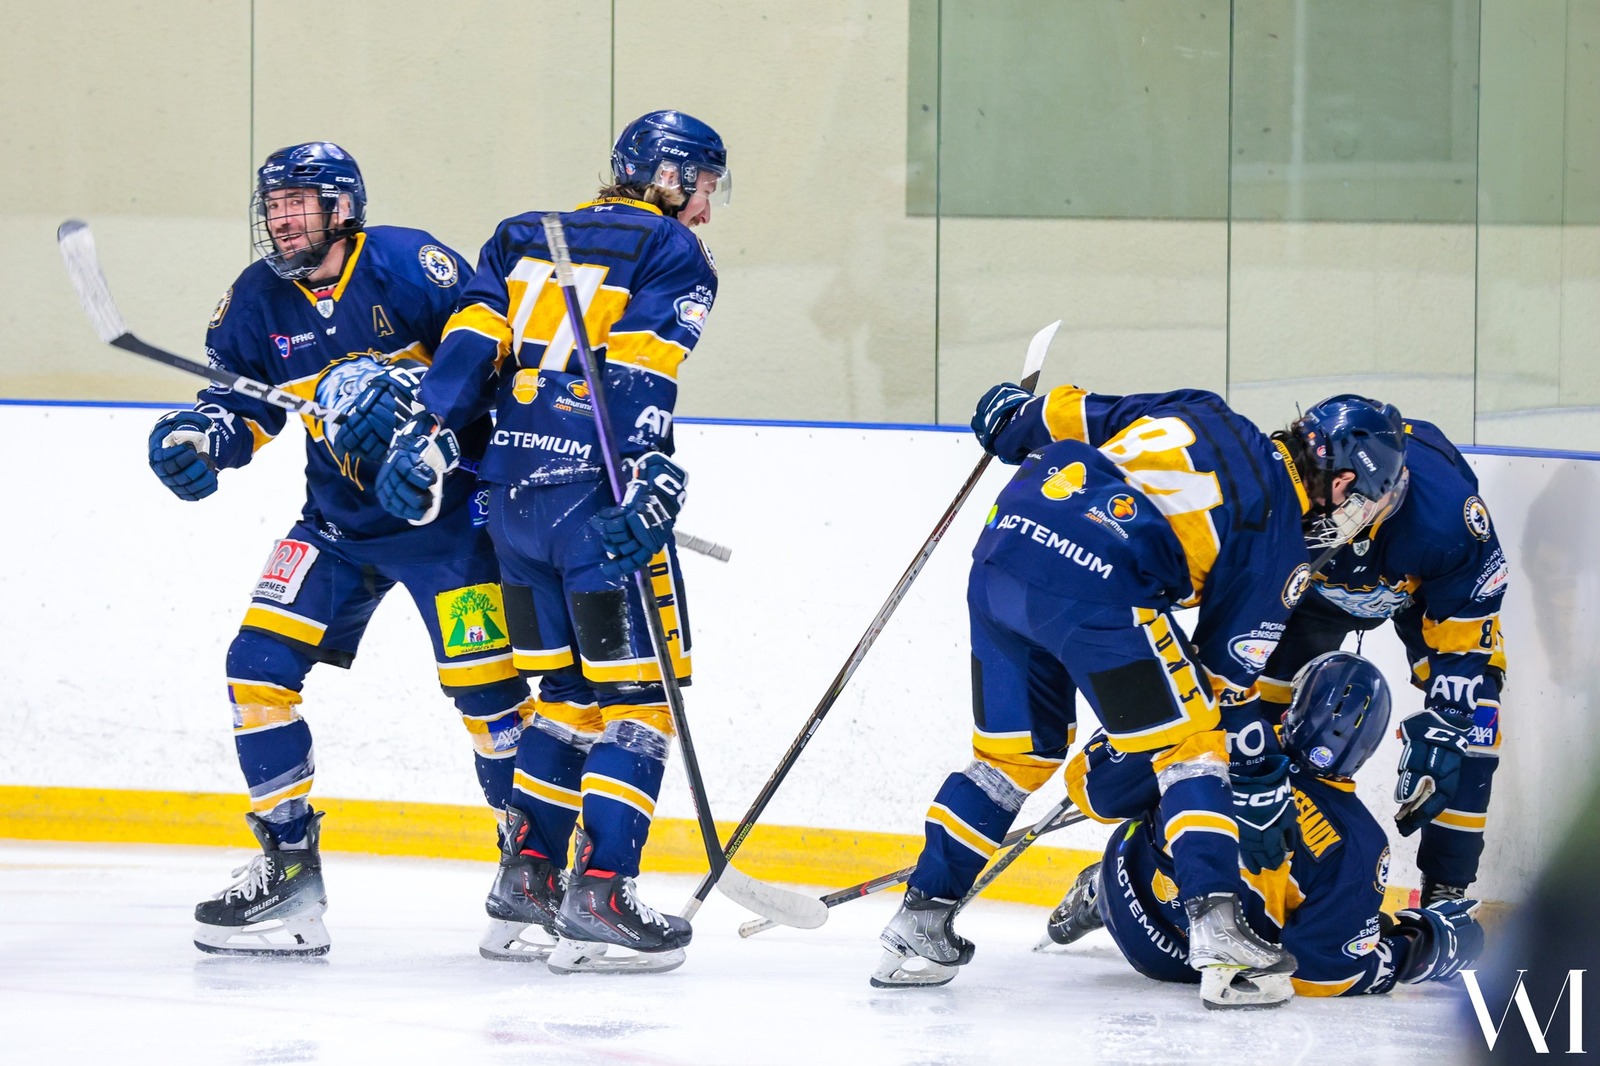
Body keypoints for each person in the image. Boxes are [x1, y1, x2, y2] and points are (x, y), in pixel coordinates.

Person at [871, 384, 1407, 1005]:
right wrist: (1173, 734)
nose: (1355, 516)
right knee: (1194, 747)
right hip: (1100, 583)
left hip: (1005, 552)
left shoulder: (1202, 409)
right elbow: (1222, 682)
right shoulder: (1280, 540)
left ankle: (918, 924)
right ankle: (1219, 931)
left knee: (1009, 759)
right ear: (1341, 483)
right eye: (1363, 502)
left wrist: (1010, 419)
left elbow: (1065, 414)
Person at [147, 142, 528, 956]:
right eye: (273, 204)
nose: (281, 220)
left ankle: (532, 873)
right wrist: (199, 437)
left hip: (448, 527)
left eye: (299, 203)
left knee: (490, 700)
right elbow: (243, 406)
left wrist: (436, 436)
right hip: (336, 527)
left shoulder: (410, 266)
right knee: (255, 669)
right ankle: (289, 873)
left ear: (343, 208)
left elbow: (490, 362)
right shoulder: (256, 300)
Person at [375, 110, 729, 974]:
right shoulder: (674, 250)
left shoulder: (519, 234)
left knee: (568, 693)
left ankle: (527, 879)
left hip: (510, 503)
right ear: (674, 176)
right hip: (593, 505)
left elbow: (471, 347)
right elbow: (642, 366)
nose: (706, 208)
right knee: (638, 704)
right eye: (706, 187)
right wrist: (646, 470)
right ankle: (602, 892)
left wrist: (430, 431)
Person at [1047, 651, 1485, 1006]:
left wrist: (1151, 720)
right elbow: (1324, 973)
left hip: (1124, 882)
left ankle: (1100, 891)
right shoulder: (1361, 843)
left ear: (1295, 708)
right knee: (1342, 918)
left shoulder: (1220, 733)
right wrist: (1419, 946)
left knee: (1175, 800)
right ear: (1369, 750)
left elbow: (1094, 793)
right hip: (1184, 964)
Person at [1254, 397, 1507, 905]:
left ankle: (1446, 892)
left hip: (1419, 595)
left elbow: (1464, 632)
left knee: (1475, 724)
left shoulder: (1447, 518)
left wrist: (1449, 720)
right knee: (1251, 727)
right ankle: (1215, 865)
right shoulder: (1270, 487)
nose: (1321, 499)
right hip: (1307, 598)